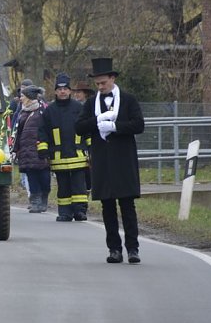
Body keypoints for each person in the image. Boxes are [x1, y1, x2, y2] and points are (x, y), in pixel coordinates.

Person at [75, 58, 145, 264]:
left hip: (123, 158)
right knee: (107, 206)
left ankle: (133, 248)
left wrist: (116, 127)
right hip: (102, 160)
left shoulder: (128, 100)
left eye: (103, 83)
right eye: (97, 84)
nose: (100, 87)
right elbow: (78, 127)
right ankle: (114, 248)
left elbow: (138, 125)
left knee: (127, 204)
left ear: (112, 79)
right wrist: (97, 121)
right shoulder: (91, 104)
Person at [38, 73, 89, 221]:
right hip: (58, 156)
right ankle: (65, 212)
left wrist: (91, 149)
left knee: (79, 185)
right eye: (59, 89)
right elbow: (42, 132)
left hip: (78, 154)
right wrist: (43, 150)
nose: (62, 91)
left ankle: (80, 211)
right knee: (63, 186)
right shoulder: (49, 111)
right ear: (55, 91)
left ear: (70, 91)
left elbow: (87, 130)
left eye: (65, 89)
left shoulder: (79, 108)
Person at [14, 85, 50, 213]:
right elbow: (18, 132)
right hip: (25, 150)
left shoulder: (43, 110)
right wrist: (16, 148)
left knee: (44, 175)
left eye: (23, 96)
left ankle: (44, 198)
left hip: (40, 148)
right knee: (31, 175)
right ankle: (35, 201)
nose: (20, 98)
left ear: (29, 97)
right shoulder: (22, 111)